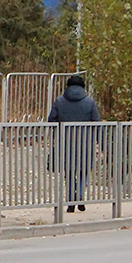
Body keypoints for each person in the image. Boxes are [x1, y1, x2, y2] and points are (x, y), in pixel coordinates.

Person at [47, 75, 102, 212]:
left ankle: (71, 202)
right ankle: (81, 198)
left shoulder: (59, 101)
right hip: (85, 143)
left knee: (70, 173)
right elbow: (97, 122)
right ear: (83, 87)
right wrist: (101, 143)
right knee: (84, 172)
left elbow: (51, 120)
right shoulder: (90, 102)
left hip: (65, 143)